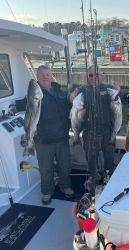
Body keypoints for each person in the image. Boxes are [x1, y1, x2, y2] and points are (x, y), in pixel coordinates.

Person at [75, 65, 119, 194]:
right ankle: (93, 181)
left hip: (108, 132)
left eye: (96, 74)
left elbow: (117, 103)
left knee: (109, 160)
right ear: (87, 77)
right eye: (90, 75)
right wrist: (71, 96)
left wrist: (118, 92)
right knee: (91, 160)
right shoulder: (82, 90)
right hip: (89, 133)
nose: (94, 77)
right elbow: (71, 100)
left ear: (102, 75)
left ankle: (109, 180)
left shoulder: (108, 89)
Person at [34, 65, 74, 205]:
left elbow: (69, 101)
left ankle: (65, 187)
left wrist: (72, 97)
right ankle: (47, 191)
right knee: (46, 169)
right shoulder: (35, 94)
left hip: (62, 137)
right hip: (43, 140)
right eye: (42, 75)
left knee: (65, 165)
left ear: (51, 76)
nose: (45, 77)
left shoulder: (59, 91)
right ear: (37, 77)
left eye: (48, 74)